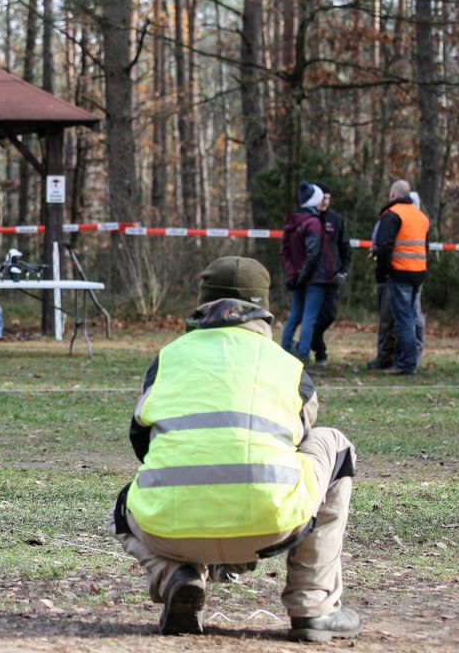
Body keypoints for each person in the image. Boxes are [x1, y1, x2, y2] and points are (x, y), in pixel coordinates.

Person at [106, 256, 360, 641]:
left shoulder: (169, 358)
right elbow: (298, 439)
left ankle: (176, 573)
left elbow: (141, 441)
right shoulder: (289, 367)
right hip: (272, 522)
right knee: (334, 445)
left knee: (124, 507)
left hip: (169, 526)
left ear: (203, 302)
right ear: (264, 309)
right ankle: (313, 607)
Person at [370, 179, 429, 375]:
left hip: (400, 272)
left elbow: (384, 246)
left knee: (403, 320)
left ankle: (406, 363)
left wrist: (384, 271)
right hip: (418, 272)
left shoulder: (392, 215)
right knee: (411, 318)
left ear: (393, 195)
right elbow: (424, 246)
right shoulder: (420, 216)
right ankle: (409, 359)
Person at [278, 181, 336, 365]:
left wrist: (293, 275)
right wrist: (302, 277)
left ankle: (285, 349)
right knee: (309, 318)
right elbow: (314, 254)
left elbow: (285, 253)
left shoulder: (292, 223)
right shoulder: (314, 223)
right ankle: (303, 355)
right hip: (314, 279)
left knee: (294, 316)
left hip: (299, 278)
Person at [309, 181, 352, 368]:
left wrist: (344, 270)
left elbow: (345, 247)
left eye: (328, 198)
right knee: (308, 316)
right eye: (322, 197)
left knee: (329, 315)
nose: (325, 201)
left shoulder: (336, 219)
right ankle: (319, 352)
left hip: (332, 277)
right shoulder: (307, 219)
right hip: (310, 278)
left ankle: (310, 341)